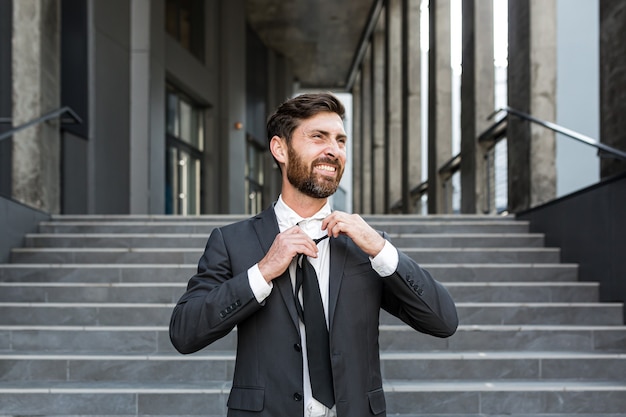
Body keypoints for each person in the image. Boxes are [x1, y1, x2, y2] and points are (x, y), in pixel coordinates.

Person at [169, 92, 458, 417]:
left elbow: (443, 321)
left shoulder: (366, 247)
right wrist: (262, 272)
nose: (333, 150)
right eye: (318, 137)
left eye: (340, 140)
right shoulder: (232, 241)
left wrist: (379, 247)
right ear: (280, 148)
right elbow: (184, 333)